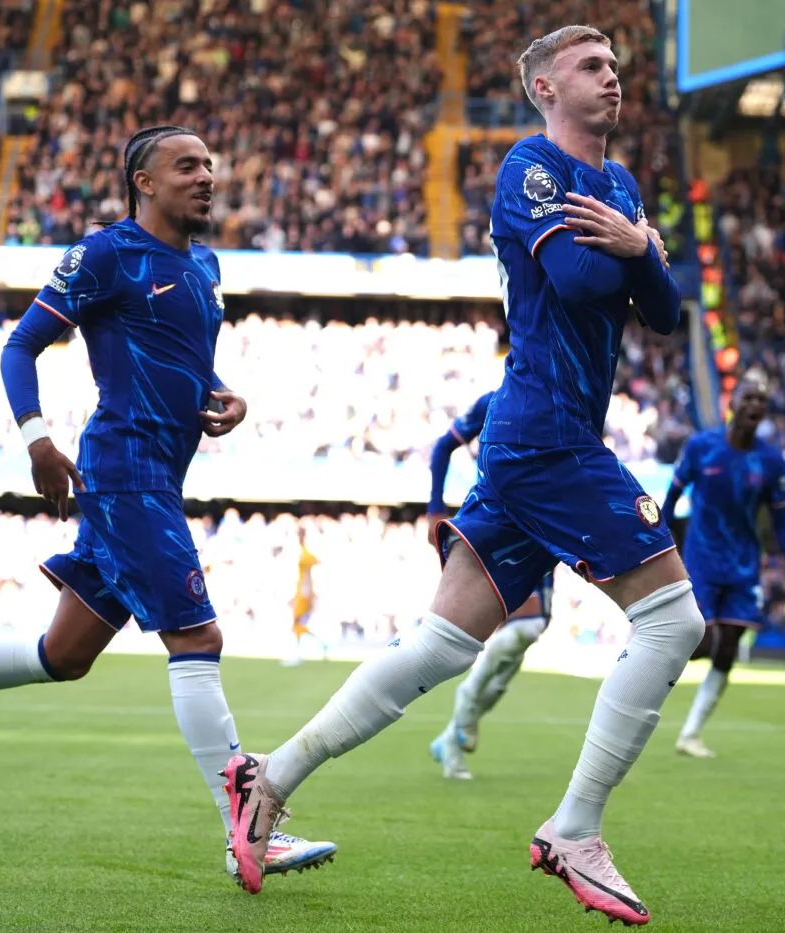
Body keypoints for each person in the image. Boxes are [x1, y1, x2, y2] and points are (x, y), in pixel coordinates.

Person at [222, 27, 700, 924]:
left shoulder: (622, 186)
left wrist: (636, 248)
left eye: (615, 66)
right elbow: (579, 278)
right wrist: (641, 252)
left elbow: (667, 314)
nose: (613, 79)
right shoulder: (530, 168)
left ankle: (268, 778)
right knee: (676, 619)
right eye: (592, 67)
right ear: (544, 87)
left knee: (441, 645)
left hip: (541, 437)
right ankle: (574, 827)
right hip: (547, 436)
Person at [0, 125, 335, 882]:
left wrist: (226, 394)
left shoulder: (206, 264)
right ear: (143, 182)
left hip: (160, 473)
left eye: (209, 165)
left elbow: (182, 358)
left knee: (61, 656)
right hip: (125, 469)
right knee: (197, 638)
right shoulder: (105, 254)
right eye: (187, 166)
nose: (207, 176)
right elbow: (20, 345)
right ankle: (249, 828)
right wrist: (37, 439)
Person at [659, 377, 785, 759]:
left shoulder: (770, 461)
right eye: (748, 397)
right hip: (701, 561)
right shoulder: (701, 447)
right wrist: (658, 546)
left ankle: (690, 734)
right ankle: (641, 671)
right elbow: (671, 499)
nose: (755, 404)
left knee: (728, 649)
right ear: (733, 403)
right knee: (701, 642)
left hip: (744, 566)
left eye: (762, 399)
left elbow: (783, 525)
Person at [424, 389, 554, 781]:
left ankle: (450, 737)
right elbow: (442, 447)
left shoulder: (566, 400)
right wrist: (435, 507)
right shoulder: (495, 401)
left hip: (546, 527)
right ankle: (463, 711)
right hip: (499, 524)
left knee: (520, 648)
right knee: (525, 628)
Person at [284, 526, 329, 666]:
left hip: (303, 594)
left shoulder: (304, 554)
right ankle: (321, 645)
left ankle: (298, 655)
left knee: (297, 624)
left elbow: (310, 571)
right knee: (298, 625)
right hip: (301, 593)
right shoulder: (302, 553)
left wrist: (307, 595)